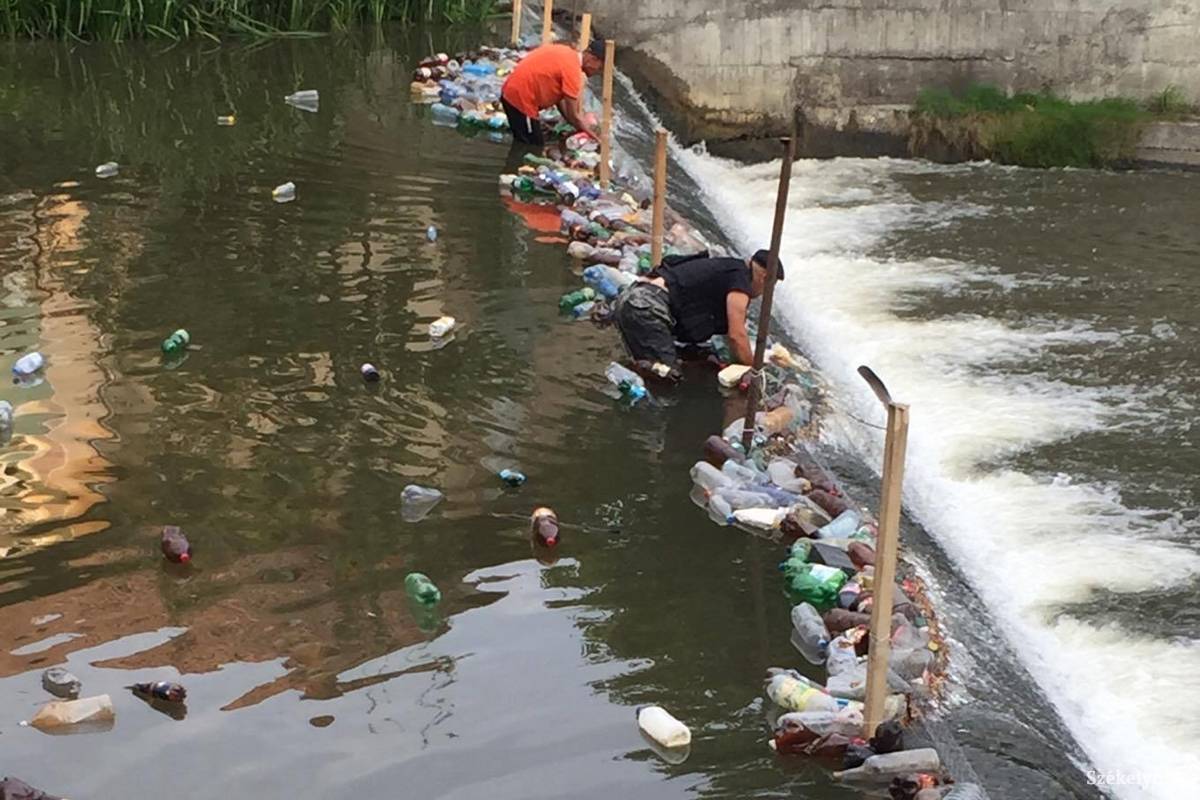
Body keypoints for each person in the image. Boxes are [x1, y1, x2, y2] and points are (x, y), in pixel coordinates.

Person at [614, 250, 783, 370]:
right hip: (648, 307)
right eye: (770, 287)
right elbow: (736, 335)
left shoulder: (728, 269)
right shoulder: (741, 280)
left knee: (651, 365)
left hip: (633, 298)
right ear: (764, 278)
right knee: (667, 377)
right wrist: (753, 370)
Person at [501, 39, 605, 146]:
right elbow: (573, 114)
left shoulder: (566, 53)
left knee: (523, 139)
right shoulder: (573, 71)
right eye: (599, 68)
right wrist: (594, 137)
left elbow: (562, 103)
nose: (597, 72)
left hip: (512, 92)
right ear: (593, 59)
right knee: (532, 145)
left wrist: (575, 124)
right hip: (521, 101)